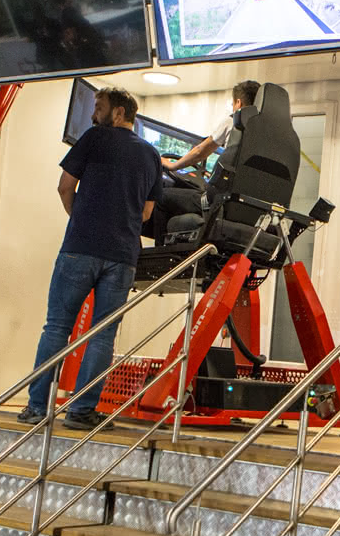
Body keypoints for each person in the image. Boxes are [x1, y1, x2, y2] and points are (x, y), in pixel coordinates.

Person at [20, 86, 164, 427]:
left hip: (80, 248)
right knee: (102, 335)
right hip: (123, 255)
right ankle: (81, 411)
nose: (92, 114)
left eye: (98, 107)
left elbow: (64, 186)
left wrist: (80, 217)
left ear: (118, 113)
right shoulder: (151, 155)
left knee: (57, 327)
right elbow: (146, 213)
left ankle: (38, 409)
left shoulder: (94, 138)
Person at [154, 80, 261, 237]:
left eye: (233, 104)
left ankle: (159, 254)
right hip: (246, 208)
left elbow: (200, 152)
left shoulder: (233, 122)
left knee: (160, 196)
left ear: (238, 103)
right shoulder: (266, 137)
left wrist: (172, 166)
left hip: (218, 203)